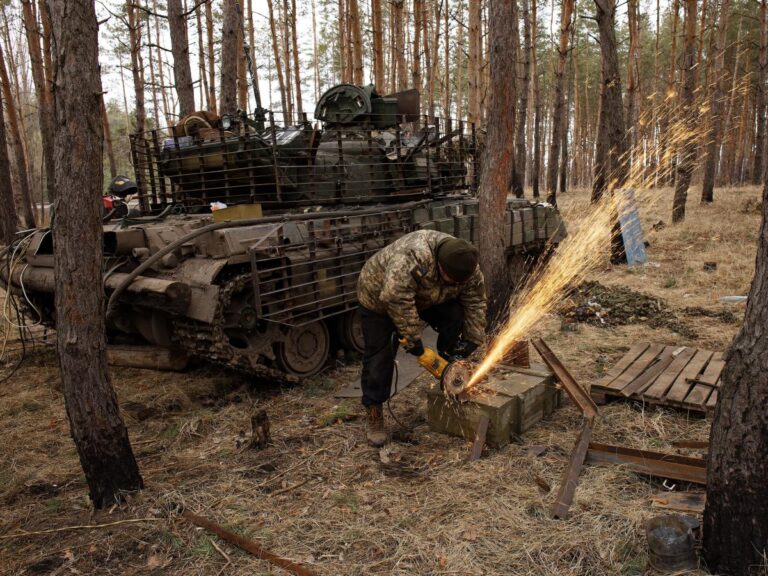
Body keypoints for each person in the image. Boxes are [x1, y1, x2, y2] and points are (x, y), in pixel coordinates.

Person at [356, 230, 487, 447]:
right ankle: (374, 412)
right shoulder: (412, 256)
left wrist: (473, 338)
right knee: (379, 356)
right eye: (450, 280)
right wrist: (413, 340)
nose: (454, 284)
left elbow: (476, 300)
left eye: (457, 282)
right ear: (439, 266)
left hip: (422, 296)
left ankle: (450, 368)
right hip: (379, 298)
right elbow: (395, 297)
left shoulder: (467, 265)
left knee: (454, 314)